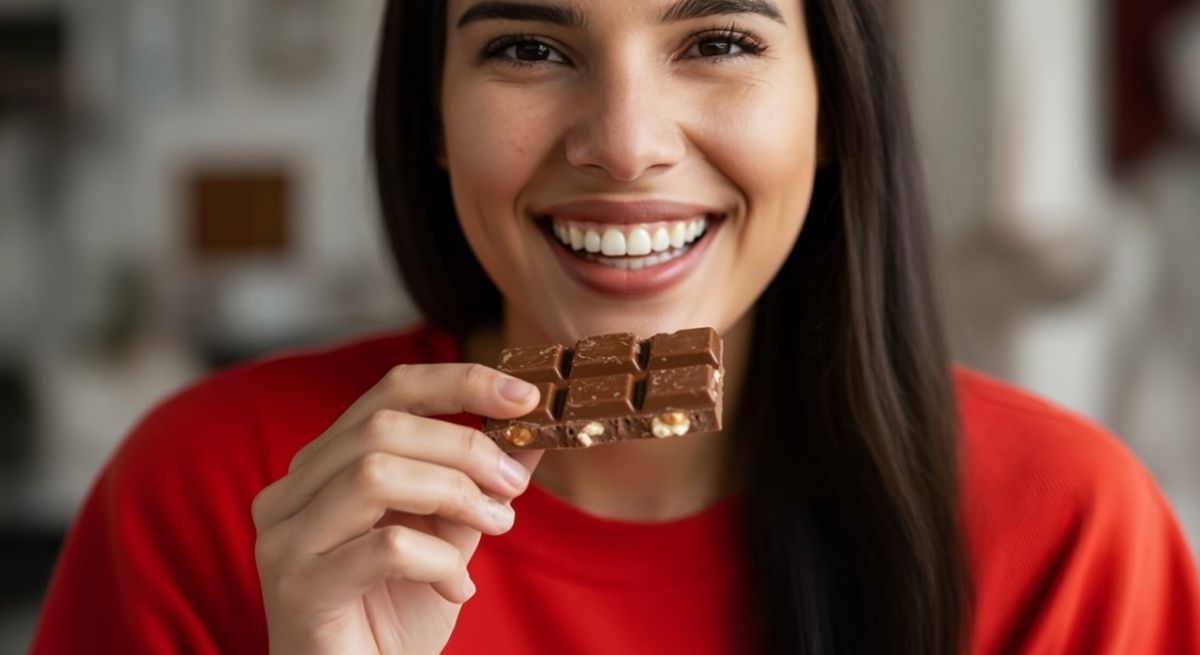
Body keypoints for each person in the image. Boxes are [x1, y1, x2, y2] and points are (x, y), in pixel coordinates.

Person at [30, 1, 1200, 653]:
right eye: (528, 49)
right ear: (431, 114)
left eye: (719, 41)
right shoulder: (211, 494)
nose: (626, 141)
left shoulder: (1066, 528)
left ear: (834, 107)